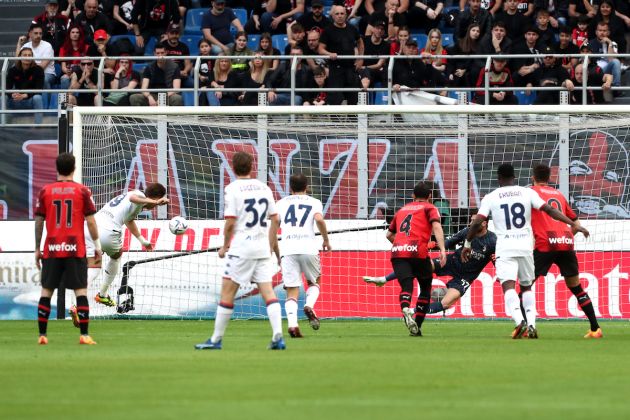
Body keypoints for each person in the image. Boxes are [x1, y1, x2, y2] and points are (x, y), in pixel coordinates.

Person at [461, 163, 589, 339]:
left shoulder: (490, 197)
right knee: (526, 286)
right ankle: (531, 324)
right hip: (526, 246)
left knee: (508, 285)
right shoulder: (527, 192)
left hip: (505, 247)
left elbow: (477, 222)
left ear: (498, 178)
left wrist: (467, 243)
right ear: (514, 177)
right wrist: (574, 224)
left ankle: (519, 321)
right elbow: (550, 210)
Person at [195, 151, 285, 350]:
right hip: (261, 249)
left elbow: (230, 223)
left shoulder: (232, 189)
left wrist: (225, 246)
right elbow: (276, 220)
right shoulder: (264, 188)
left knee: (227, 293)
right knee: (269, 293)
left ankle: (216, 340)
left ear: (233, 168)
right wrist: (270, 246)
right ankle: (278, 337)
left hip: (241, 248)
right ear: (251, 166)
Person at [364, 215, 497, 315]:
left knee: (446, 303)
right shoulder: (466, 232)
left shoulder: (492, 241)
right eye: (471, 220)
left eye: (474, 221)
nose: (471, 223)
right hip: (451, 262)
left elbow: (497, 260)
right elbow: (447, 243)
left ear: (484, 223)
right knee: (419, 267)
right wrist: (430, 246)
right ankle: (383, 279)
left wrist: (497, 262)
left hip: (466, 276)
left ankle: (411, 311)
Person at [34, 153, 102, 345]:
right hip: (75, 249)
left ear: (56, 168)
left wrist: (37, 248)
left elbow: (39, 221)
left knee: (46, 292)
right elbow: (91, 221)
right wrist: (97, 246)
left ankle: (42, 336)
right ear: (74, 168)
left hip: (52, 249)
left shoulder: (46, 191)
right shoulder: (82, 191)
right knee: (80, 291)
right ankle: (85, 335)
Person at [529, 163, 602, 338]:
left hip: (545, 243)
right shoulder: (559, 194)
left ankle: (525, 326)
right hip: (566, 242)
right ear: (549, 178)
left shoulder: (530, 192)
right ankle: (595, 329)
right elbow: (576, 223)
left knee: (525, 285)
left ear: (533, 177)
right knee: (576, 288)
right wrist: (566, 235)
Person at [87, 184, 168, 309]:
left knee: (93, 266)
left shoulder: (134, 200)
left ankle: (78, 303)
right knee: (117, 256)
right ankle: (102, 294)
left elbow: (128, 220)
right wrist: (156, 202)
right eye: (156, 202)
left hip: (92, 227)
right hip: (108, 230)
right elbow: (133, 198)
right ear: (156, 197)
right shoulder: (138, 196)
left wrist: (142, 240)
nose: (154, 207)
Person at [386, 181, 446, 336]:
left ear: (413, 196)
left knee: (406, 287)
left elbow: (389, 235)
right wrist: (443, 249)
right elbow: (437, 226)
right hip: (418, 252)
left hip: (398, 253)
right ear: (430, 196)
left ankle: (405, 308)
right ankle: (417, 327)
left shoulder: (402, 210)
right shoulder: (430, 207)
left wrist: (402, 244)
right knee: (425, 289)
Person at [276, 173, 331, 337]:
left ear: (290, 188)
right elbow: (319, 220)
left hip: (288, 249)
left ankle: (293, 324)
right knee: (315, 281)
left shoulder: (280, 203)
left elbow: (274, 224)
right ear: (307, 187)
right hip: (308, 248)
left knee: (291, 290)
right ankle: (309, 305)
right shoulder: (314, 202)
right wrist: (326, 240)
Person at [318, 5, 364, 105]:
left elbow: (360, 42)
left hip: (351, 68)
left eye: (342, 13)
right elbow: (320, 49)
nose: (340, 16)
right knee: (335, 99)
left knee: (353, 98)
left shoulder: (352, 29)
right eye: (337, 14)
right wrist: (329, 54)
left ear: (346, 15)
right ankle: (335, 121)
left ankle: (353, 120)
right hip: (335, 69)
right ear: (333, 16)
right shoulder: (327, 31)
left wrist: (360, 59)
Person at [6, 48, 45, 124]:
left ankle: (38, 126)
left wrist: (25, 95)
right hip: (16, 99)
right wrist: (12, 94)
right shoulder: (13, 70)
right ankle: (3, 124)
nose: (27, 57)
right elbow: (7, 88)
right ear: (20, 57)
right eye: (25, 55)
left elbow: (39, 89)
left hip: (30, 99)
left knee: (38, 98)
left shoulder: (38, 70)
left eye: (29, 55)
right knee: (3, 98)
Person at [16, 23, 56, 94]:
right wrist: (19, 44)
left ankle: (45, 104)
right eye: (36, 33)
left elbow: (41, 67)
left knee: (44, 79)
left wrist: (28, 71)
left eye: (40, 33)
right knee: (15, 74)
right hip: (29, 72)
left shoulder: (47, 46)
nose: (38, 36)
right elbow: (17, 61)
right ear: (30, 34)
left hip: (46, 73)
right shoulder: (26, 46)